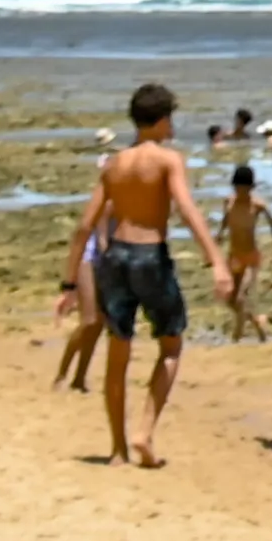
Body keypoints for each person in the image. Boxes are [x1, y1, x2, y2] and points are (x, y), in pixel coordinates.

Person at [86, 82, 227, 466]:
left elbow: (85, 224)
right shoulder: (167, 160)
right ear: (164, 119)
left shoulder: (114, 164)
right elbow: (187, 209)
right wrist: (216, 260)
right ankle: (143, 432)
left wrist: (70, 281)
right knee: (171, 344)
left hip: (114, 256)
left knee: (118, 351)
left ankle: (116, 449)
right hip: (150, 255)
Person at [222, 160, 272, 340]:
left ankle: (236, 338)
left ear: (251, 188)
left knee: (241, 298)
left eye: (245, 189)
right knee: (231, 300)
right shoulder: (228, 202)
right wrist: (218, 235)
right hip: (233, 256)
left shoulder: (257, 205)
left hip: (250, 257)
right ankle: (258, 326)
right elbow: (226, 219)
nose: (241, 192)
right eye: (238, 188)